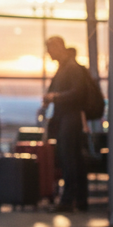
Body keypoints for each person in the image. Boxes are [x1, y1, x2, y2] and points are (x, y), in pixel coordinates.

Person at [41, 37, 87, 212]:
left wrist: (55, 97)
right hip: (66, 119)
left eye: (50, 48)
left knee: (70, 160)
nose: (48, 53)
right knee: (73, 160)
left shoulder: (71, 68)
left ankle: (69, 200)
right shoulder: (64, 68)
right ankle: (79, 199)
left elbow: (78, 93)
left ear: (58, 47)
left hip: (70, 119)